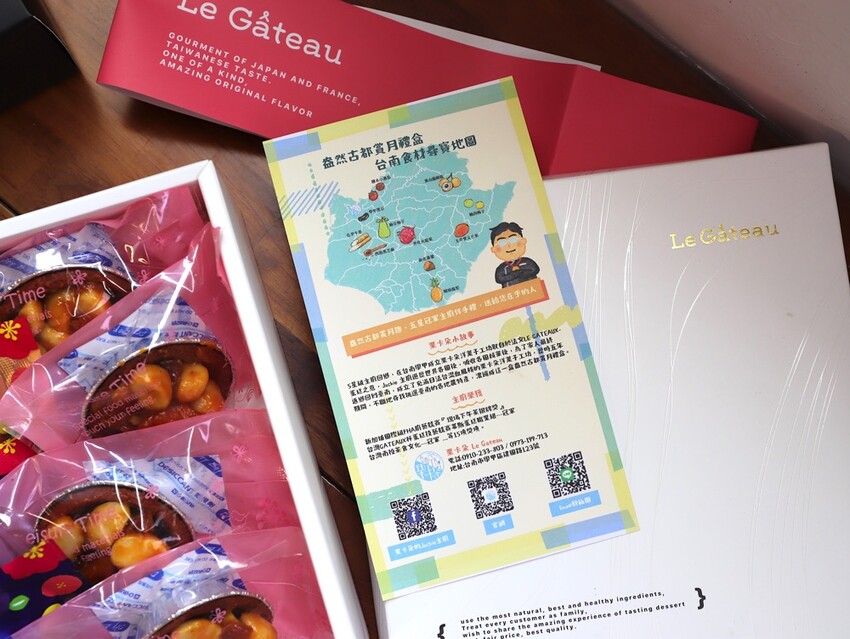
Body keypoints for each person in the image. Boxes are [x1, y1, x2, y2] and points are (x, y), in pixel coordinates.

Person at [489, 222, 539, 288]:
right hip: (511, 293)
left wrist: (520, 272)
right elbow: (499, 279)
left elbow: (535, 270)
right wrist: (516, 273)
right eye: (502, 242)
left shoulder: (527, 262)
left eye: (513, 239)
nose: (509, 245)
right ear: (494, 249)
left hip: (532, 290)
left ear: (523, 241)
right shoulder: (501, 268)